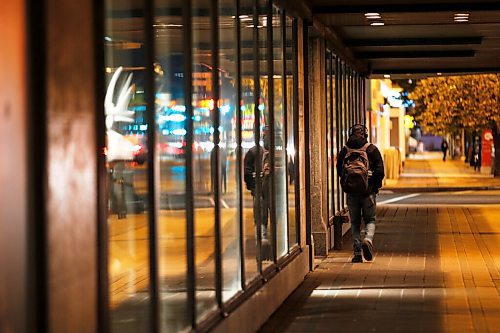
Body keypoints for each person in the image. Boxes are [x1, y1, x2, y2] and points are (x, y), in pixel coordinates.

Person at [336, 124, 384, 263]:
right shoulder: (372, 149)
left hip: (351, 193)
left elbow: (339, 169)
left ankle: (357, 253)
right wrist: (374, 185)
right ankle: (368, 239)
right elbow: (380, 171)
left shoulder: (345, 150)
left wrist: (347, 183)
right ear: (365, 134)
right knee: (370, 219)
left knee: (355, 222)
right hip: (368, 192)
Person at [244, 128, 271, 240]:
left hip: (269, 190)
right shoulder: (254, 152)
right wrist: (253, 187)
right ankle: (261, 238)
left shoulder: (276, 153)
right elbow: (247, 172)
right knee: (261, 215)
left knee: (264, 214)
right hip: (261, 190)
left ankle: (263, 238)